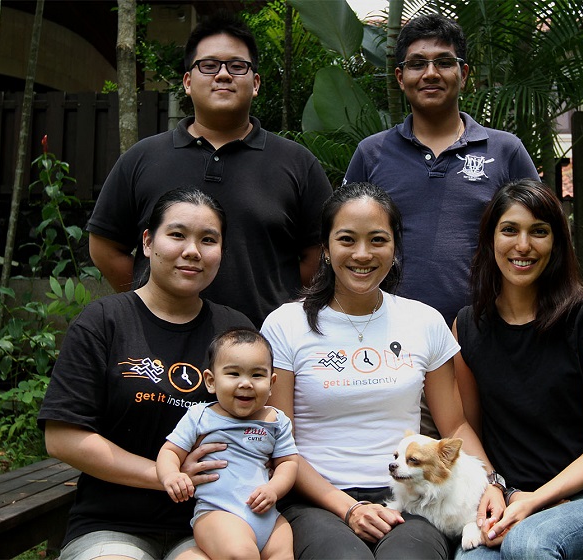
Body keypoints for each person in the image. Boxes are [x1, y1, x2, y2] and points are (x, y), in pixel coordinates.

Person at [260, 182, 504, 560]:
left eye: (377, 240)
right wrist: (349, 508)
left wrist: (491, 482)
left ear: (394, 247)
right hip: (316, 501)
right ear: (325, 248)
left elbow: (454, 426)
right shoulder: (285, 325)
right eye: (346, 240)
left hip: (412, 498)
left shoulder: (423, 321)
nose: (362, 254)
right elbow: (279, 440)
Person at [39, 188, 254, 560]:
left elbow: (263, 421)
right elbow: (63, 438)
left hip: (209, 522)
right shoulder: (103, 322)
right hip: (112, 524)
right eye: (177, 234)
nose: (192, 251)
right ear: (148, 241)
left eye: (208, 239)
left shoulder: (234, 330)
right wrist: (167, 474)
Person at [87, 12, 332, 327]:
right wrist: (153, 296)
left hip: (263, 348)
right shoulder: (143, 158)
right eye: (209, 65)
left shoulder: (297, 163)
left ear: (255, 83)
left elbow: (320, 253)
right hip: (159, 343)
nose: (223, 75)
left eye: (237, 66)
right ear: (188, 82)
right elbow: (104, 247)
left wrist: (283, 307)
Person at [453, 179, 583, 559]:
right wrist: (499, 488)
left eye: (539, 232)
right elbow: (467, 429)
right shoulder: (468, 327)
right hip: (510, 501)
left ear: (556, 244)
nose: (523, 246)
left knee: (530, 544)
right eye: (510, 230)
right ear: (490, 239)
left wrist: (536, 501)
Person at [344, 13, 539, 327]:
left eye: (444, 62)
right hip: (387, 335)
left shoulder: (506, 151)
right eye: (417, 63)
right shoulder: (371, 153)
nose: (430, 73)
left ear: (463, 74)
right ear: (399, 76)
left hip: (488, 333)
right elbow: (344, 244)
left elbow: (542, 239)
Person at [157, 328, 299, 560]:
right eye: (233, 374)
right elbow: (170, 451)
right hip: (218, 513)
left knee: (283, 550)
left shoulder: (276, 420)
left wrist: (274, 489)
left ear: (272, 382)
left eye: (257, 375)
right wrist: (171, 475)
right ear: (211, 381)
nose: (246, 383)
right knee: (240, 553)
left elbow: (288, 462)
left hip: (268, 517)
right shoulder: (200, 416)